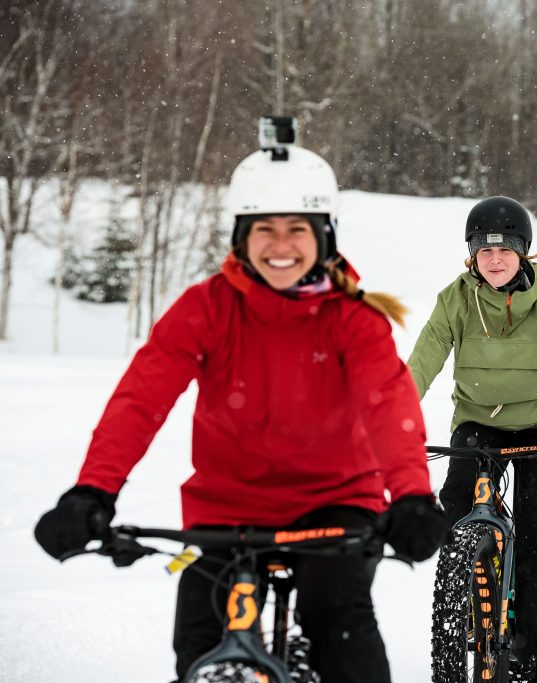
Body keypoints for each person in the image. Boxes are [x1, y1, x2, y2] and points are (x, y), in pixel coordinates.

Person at [33, 132, 448, 683]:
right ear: (240, 237)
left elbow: (388, 405)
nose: (281, 244)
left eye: (297, 228)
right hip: (227, 509)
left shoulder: (353, 318)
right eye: (264, 229)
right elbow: (141, 399)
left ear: (324, 235)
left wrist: (413, 495)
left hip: (336, 505)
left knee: (340, 623)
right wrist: (93, 491)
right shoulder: (205, 308)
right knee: (199, 637)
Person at [408, 196, 537, 683]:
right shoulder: (455, 298)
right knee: (456, 504)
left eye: (505, 248)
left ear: (524, 252)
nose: (494, 258)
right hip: (479, 421)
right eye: (483, 249)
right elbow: (422, 359)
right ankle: (478, 608)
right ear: (471, 254)